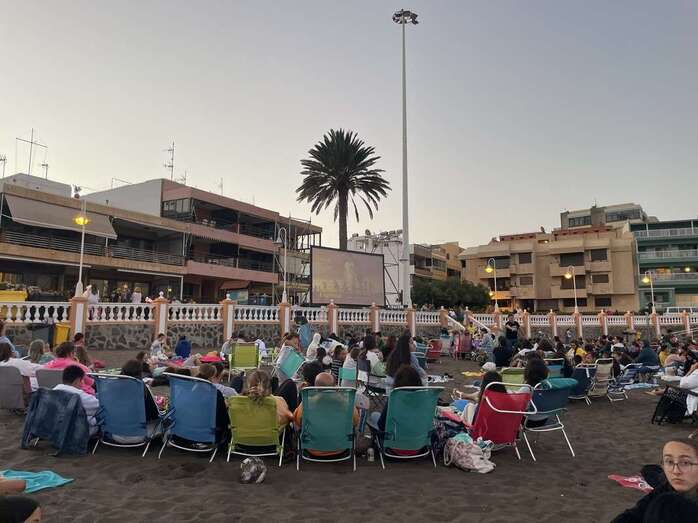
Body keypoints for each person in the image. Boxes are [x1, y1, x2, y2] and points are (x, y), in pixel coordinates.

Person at [611, 438, 698, 522]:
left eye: (685, 463)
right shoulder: (666, 488)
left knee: (668, 503)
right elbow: (635, 514)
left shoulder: (667, 502)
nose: (675, 471)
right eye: (669, 462)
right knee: (648, 470)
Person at [293, 372, 359, 457]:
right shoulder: (346, 404)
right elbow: (355, 422)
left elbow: (298, 421)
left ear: (316, 388)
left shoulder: (307, 403)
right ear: (335, 387)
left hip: (312, 448)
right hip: (340, 448)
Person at [54, 365, 100, 434]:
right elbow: (99, 407)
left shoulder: (54, 390)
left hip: (56, 430)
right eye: (82, 380)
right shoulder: (80, 396)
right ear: (78, 380)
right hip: (77, 432)